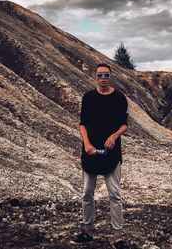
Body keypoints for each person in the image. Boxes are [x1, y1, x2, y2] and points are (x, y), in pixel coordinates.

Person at [71, 63, 129, 248]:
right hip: (90, 152)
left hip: (112, 154)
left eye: (106, 75)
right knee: (87, 193)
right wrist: (87, 143)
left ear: (110, 77)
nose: (103, 77)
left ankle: (118, 236)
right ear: (95, 77)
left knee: (115, 195)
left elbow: (124, 124)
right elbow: (82, 124)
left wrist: (114, 135)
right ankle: (87, 231)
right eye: (100, 75)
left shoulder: (119, 98)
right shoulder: (88, 97)